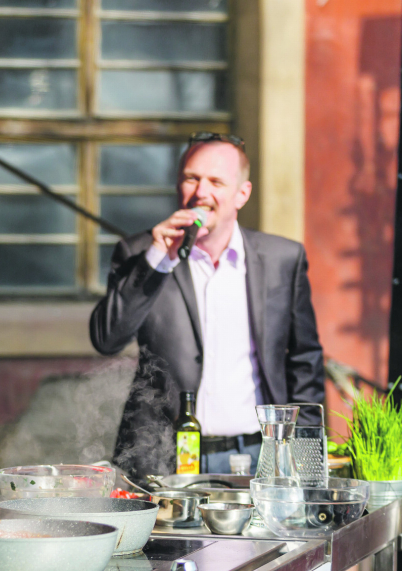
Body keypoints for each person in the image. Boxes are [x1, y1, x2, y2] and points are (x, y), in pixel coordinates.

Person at [89, 132, 325, 478]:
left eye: (216, 181)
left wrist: (304, 462)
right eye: (191, 178)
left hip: (260, 454)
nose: (201, 192)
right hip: (162, 456)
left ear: (242, 193)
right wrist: (157, 260)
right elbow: (107, 340)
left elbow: (306, 361)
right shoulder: (141, 252)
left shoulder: (282, 259)